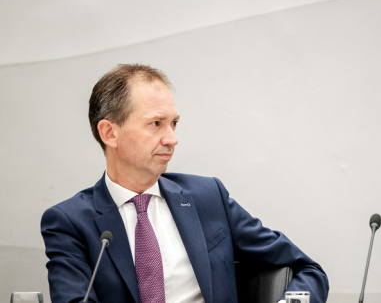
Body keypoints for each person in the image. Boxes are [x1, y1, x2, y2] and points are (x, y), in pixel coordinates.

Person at [40, 64, 329, 303]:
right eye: (156, 124)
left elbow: (308, 269)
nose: (172, 139)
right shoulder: (69, 222)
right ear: (109, 133)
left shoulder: (207, 197)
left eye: (174, 124)